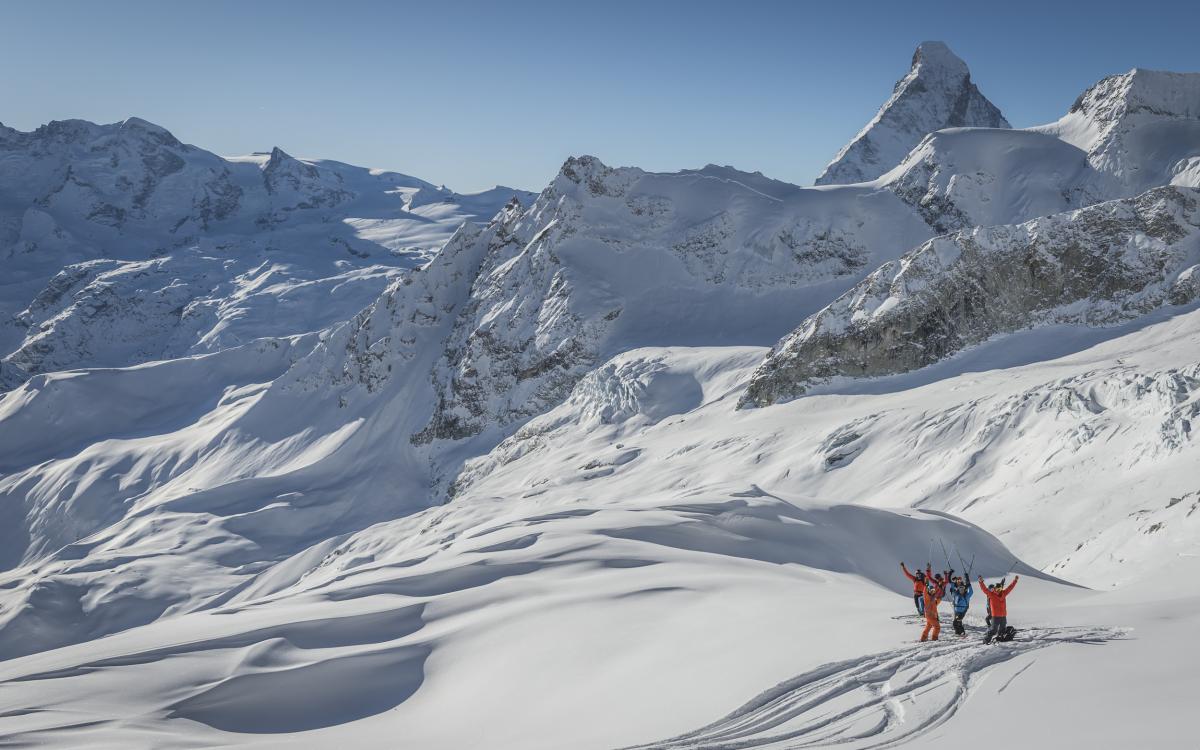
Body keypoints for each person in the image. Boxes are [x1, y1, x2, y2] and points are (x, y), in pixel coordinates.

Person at [978, 575, 1019, 644]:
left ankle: (999, 639)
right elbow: (984, 589)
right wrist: (981, 582)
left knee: (1002, 630)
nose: (998, 590)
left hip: (1003, 616)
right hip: (995, 616)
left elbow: (1010, 588)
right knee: (993, 630)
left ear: (1001, 589)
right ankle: (986, 641)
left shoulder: (1004, 593)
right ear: (995, 589)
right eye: (997, 589)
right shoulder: (991, 594)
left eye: (999, 589)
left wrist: (1015, 581)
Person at [920, 571, 947, 641]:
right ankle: (934, 638)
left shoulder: (933, 598)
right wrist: (926, 585)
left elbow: (936, 602)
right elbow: (925, 592)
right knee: (937, 627)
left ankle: (923, 638)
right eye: (931, 590)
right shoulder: (927, 597)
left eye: (933, 590)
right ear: (929, 591)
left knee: (929, 626)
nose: (932, 591)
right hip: (929, 615)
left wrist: (940, 587)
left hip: (932, 615)